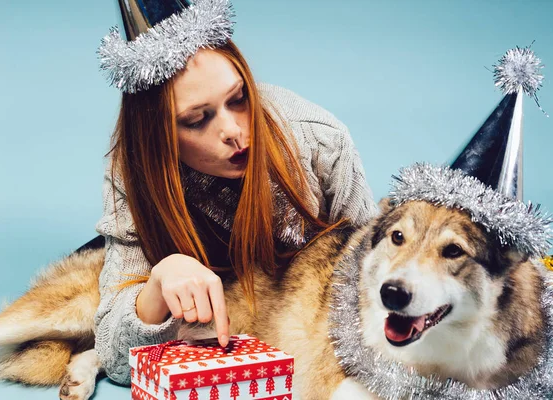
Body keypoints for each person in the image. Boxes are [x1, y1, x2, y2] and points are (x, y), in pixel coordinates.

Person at [93, 0, 378, 384]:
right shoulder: (134, 170)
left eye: (239, 98)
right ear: (158, 139)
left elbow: (373, 277)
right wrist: (160, 281)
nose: (233, 130)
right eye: (197, 119)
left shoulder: (318, 137)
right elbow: (113, 355)